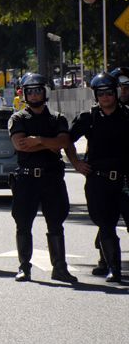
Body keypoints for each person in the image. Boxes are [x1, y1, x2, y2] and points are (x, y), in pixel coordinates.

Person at [8, 73, 77, 283]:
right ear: (24, 94)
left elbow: (64, 141)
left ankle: (59, 268)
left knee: (56, 223)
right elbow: (19, 144)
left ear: (45, 92)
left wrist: (37, 140)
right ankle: (24, 267)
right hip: (27, 179)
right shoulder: (18, 118)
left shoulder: (57, 118)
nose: (35, 95)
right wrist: (50, 142)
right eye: (30, 91)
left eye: (38, 90)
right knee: (23, 223)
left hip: (51, 178)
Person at [65, 73, 128, 283]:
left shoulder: (127, 115)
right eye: (101, 94)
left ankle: (111, 264)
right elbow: (67, 140)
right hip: (98, 180)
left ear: (116, 93)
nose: (106, 98)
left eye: (109, 93)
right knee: (106, 223)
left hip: (124, 180)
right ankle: (113, 268)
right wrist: (76, 163)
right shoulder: (88, 118)